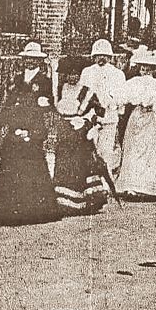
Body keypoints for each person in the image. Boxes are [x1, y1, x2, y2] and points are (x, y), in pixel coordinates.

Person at [0, 42, 62, 225]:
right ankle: (10, 212)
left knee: (32, 165)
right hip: (15, 126)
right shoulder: (16, 79)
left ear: (39, 61)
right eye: (27, 58)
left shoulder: (44, 81)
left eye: (33, 59)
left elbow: (46, 105)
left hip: (33, 127)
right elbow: (9, 103)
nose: (29, 61)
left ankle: (35, 211)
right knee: (11, 162)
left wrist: (31, 129)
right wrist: (9, 121)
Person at [52, 66, 111, 217]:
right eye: (70, 74)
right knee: (64, 164)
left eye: (75, 74)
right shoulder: (60, 89)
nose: (72, 77)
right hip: (64, 132)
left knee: (81, 164)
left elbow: (99, 111)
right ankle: (64, 202)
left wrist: (89, 123)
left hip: (80, 133)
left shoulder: (86, 91)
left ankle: (86, 200)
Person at [116, 48, 156, 200]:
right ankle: (131, 186)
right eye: (142, 68)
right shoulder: (134, 82)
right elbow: (121, 97)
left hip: (150, 119)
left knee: (149, 150)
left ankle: (149, 187)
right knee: (133, 149)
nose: (145, 71)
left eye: (148, 68)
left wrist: (152, 105)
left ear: (153, 69)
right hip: (136, 117)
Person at [77, 39, 126, 171]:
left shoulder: (118, 74)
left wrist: (114, 108)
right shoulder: (87, 72)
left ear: (110, 57)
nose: (101, 59)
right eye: (98, 55)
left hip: (108, 118)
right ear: (93, 57)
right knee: (89, 149)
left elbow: (121, 97)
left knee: (105, 151)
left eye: (105, 55)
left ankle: (105, 176)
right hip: (89, 117)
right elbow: (82, 94)